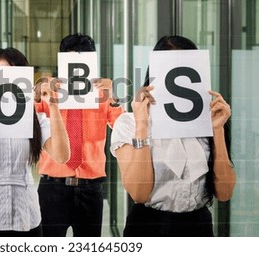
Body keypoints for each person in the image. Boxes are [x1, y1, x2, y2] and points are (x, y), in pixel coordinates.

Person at [110, 35, 236, 236]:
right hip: (149, 226)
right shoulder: (129, 123)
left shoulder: (207, 120)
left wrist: (218, 130)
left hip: (198, 226)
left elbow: (225, 192)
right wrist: (142, 124)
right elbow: (139, 194)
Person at [0, 47, 70, 236]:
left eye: (14, 75)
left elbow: (62, 155)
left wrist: (54, 106)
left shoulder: (35, 119)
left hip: (25, 215)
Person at [35, 33, 124, 237]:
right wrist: (37, 92)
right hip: (52, 187)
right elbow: (27, 122)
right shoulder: (51, 91)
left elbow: (121, 126)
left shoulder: (102, 93)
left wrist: (114, 99)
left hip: (90, 189)